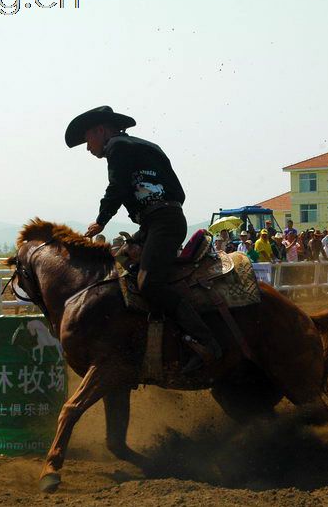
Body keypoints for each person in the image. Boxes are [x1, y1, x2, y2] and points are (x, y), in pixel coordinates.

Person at [67, 105, 221, 373]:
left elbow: (117, 187)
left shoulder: (116, 147)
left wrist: (102, 219)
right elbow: (177, 191)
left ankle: (206, 340)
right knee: (123, 274)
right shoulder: (142, 147)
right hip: (158, 221)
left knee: (148, 283)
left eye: (87, 139)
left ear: (101, 131)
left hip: (162, 222)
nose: (87, 147)